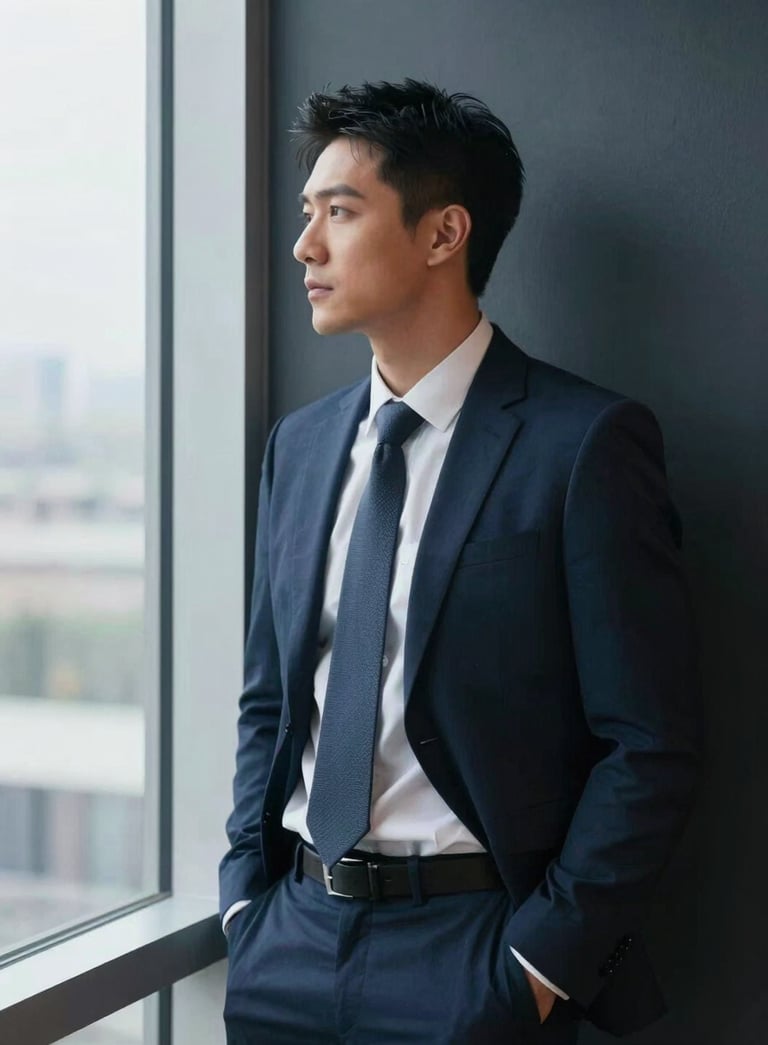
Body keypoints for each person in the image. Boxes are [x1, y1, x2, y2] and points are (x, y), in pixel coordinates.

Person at [219, 79, 701, 1044]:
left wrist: (537, 965)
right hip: (290, 944)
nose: (305, 246)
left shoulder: (583, 444)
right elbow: (272, 696)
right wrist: (245, 901)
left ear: (443, 235)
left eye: (340, 213)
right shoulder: (301, 448)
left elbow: (648, 741)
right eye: (307, 214)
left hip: (470, 952)